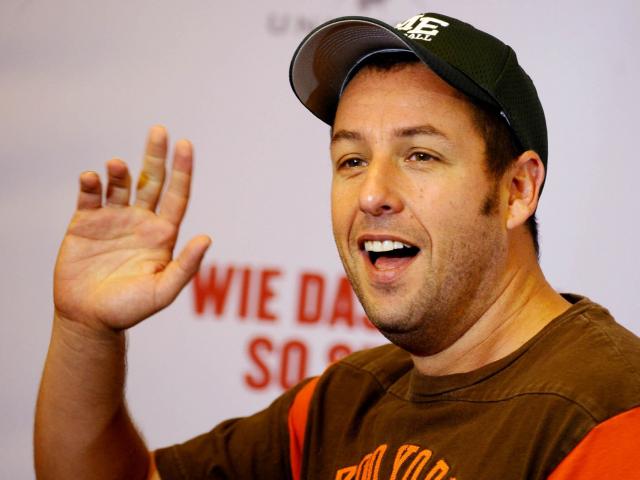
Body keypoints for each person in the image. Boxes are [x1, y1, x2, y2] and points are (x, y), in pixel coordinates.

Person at [34, 12, 640, 480]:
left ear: (517, 190)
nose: (372, 194)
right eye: (351, 159)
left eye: (420, 155)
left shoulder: (609, 413)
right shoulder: (341, 399)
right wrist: (86, 330)